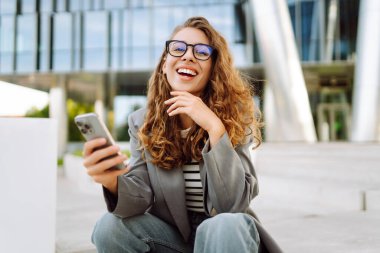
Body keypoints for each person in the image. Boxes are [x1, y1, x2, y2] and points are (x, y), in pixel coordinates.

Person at [83, 16, 268, 253]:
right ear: (164, 63)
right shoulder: (142, 122)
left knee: (224, 225)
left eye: (201, 51)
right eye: (178, 48)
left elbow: (233, 204)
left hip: (227, 238)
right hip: (174, 240)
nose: (188, 56)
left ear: (213, 69)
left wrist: (215, 128)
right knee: (109, 227)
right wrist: (111, 181)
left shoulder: (236, 115)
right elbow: (139, 197)